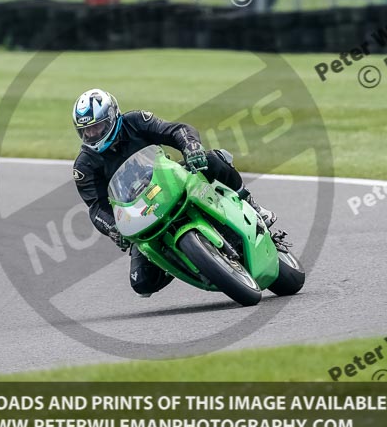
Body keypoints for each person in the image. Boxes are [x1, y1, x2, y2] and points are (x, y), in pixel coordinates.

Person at [72, 88, 288, 298]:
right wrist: (113, 228)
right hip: (139, 212)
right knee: (142, 283)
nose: (92, 134)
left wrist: (191, 147)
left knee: (213, 159)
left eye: (97, 127)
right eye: (86, 130)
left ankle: (252, 205)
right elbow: (97, 207)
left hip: (168, 181)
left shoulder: (136, 121)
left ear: (112, 117)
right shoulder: (84, 166)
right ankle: (184, 260)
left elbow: (176, 130)